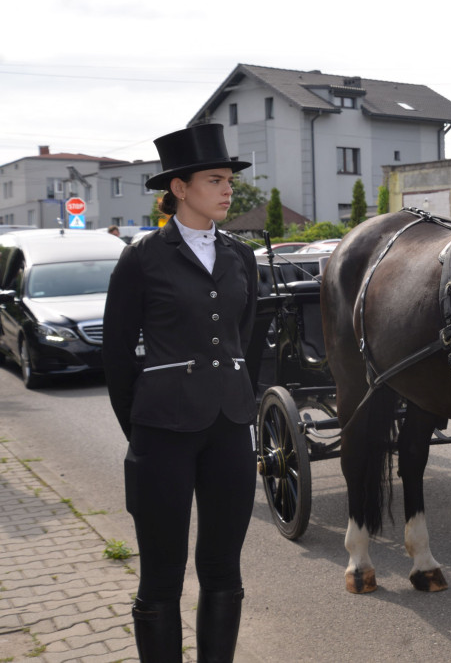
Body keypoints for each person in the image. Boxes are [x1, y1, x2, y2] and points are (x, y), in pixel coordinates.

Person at [103, 123, 259, 663]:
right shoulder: (142, 256)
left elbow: (244, 340)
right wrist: (143, 431)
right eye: (215, 180)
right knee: (161, 575)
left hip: (230, 428)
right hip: (162, 433)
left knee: (223, 569)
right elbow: (117, 355)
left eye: (229, 180)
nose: (227, 189)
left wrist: (238, 398)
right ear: (179, 188)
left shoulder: (240, 255)